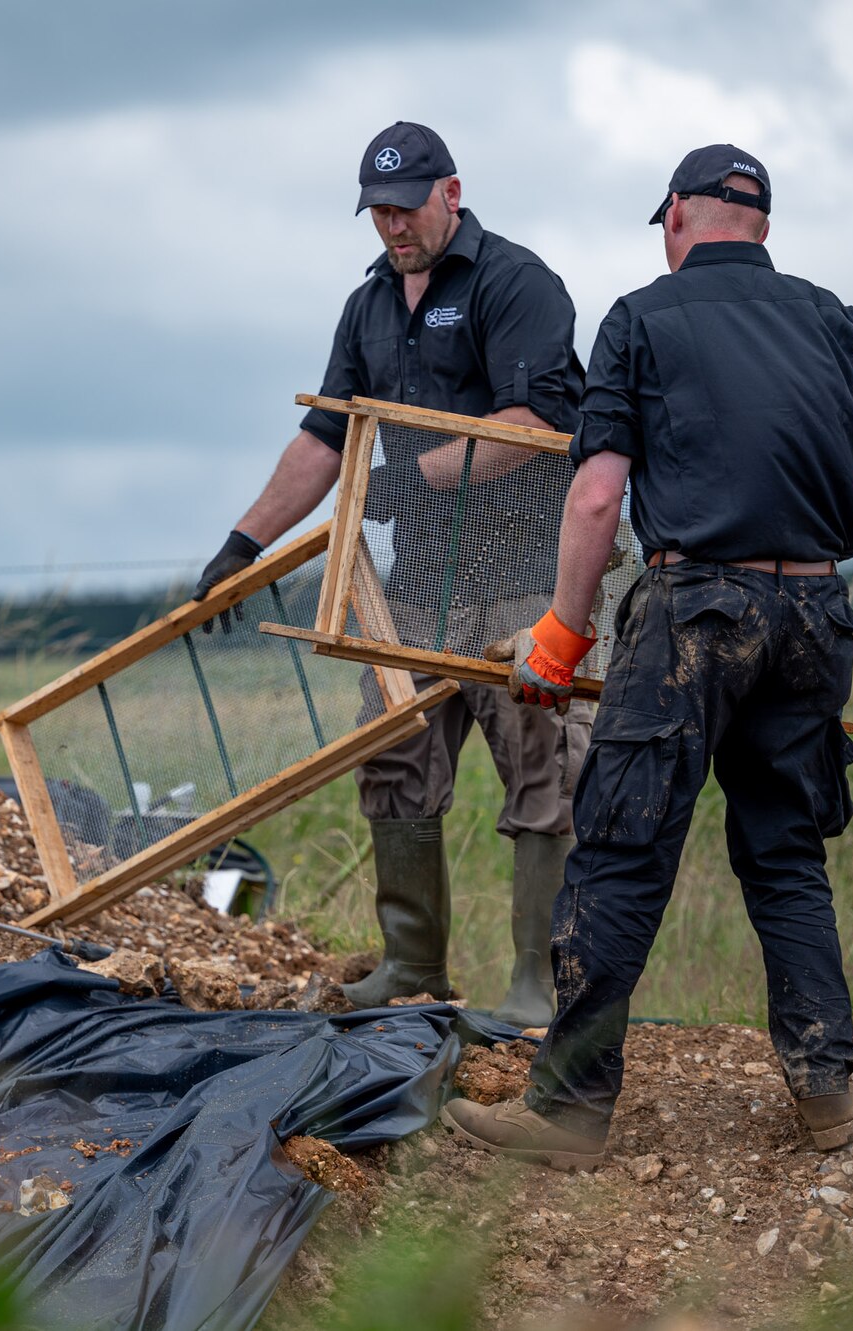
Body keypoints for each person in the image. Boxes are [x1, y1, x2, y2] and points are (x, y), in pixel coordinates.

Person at [448, 145, 853, 1168]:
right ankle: (826, 1094)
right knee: (783, 853)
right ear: (763, 228)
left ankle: (565, 1112)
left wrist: (562, 630)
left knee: (618, 852)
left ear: (679, 218)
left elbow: (597, 492)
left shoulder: (641, 317)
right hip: (815, 614)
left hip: (696, 615)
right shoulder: (830, 317)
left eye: (664, 222)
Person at [191, 122, 587, 1019]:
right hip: (413, 585)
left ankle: (538, 983)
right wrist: (243, 543)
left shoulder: (516, 283)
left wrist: (420, 468)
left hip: (527, 575)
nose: (392, 228)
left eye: (406, 208)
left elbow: (536, 424)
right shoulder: (368, 303)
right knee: (392, 750)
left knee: (544, 764)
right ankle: (412, 966)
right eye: (377, 212)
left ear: (451, 192)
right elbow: (328, 434)